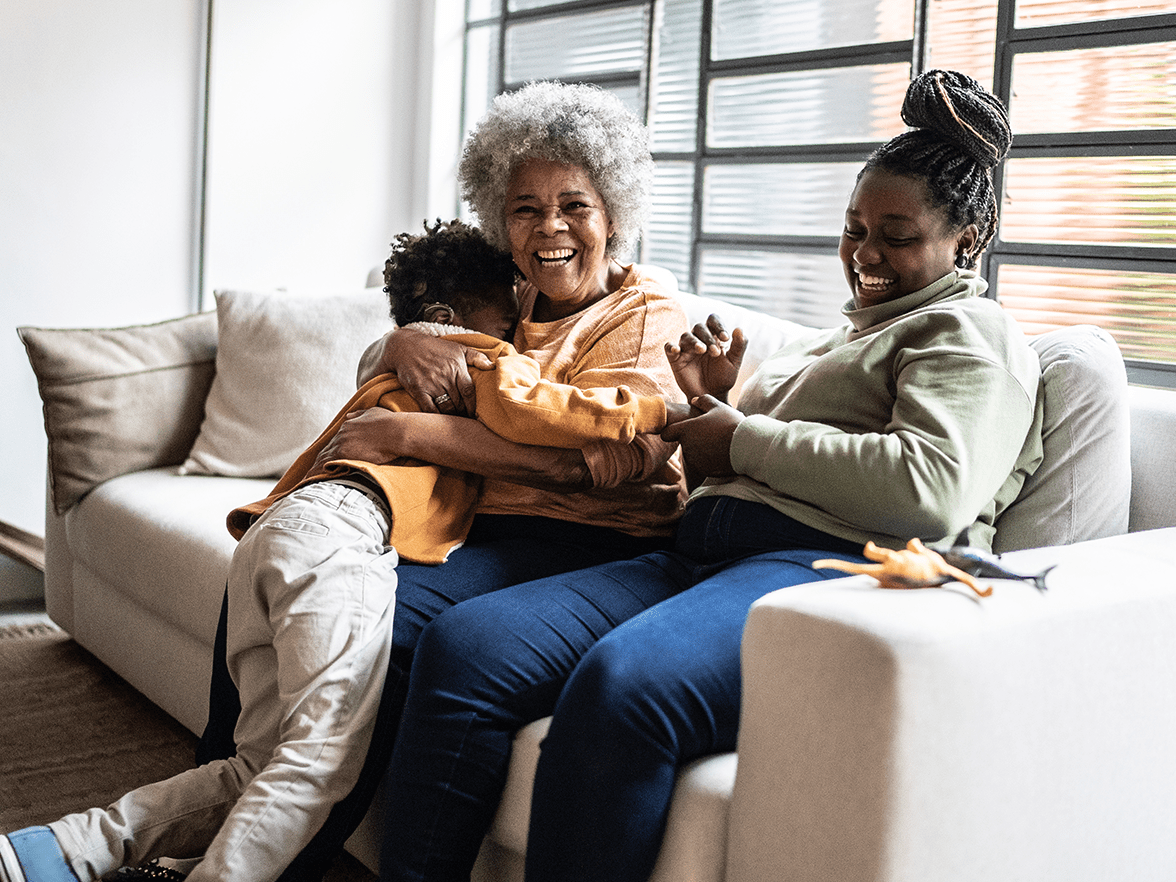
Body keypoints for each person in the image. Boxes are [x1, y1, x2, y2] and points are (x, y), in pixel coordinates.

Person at [364, 69, 1045, 882]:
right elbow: (731, 449)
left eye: (896, 235)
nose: (864, 254)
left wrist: (742, 437)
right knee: (465, 645)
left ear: (964, 239)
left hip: (823, 567)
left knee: (624, 687)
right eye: (854, 227)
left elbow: (932, 488)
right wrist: (712, 404)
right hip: (700, 553)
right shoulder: (837, 340)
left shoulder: (971, 332)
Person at [0, 214, 678, 882]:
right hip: (340, 543)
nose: (515, 324)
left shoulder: (415, 354)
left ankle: (60, 852)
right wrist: (653, 410)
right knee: (316, 765)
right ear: (460, 314)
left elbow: (393, 367)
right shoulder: (476, 356)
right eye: (507, 311)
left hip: (280, 532)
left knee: (256, 765)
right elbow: (546, 413)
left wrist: (402, 350)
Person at [196, 81, 690, 882]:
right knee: (282, 574)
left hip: (594, 539)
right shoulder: (511, 296)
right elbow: (418, 345)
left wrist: (416, 433)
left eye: (576, 205)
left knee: (410, 646)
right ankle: (210, 814)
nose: (551, 229)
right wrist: (399, 345)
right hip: (480, 528)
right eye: (526, 208)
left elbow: (595, 465)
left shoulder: (645, 314)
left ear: (616, 213)